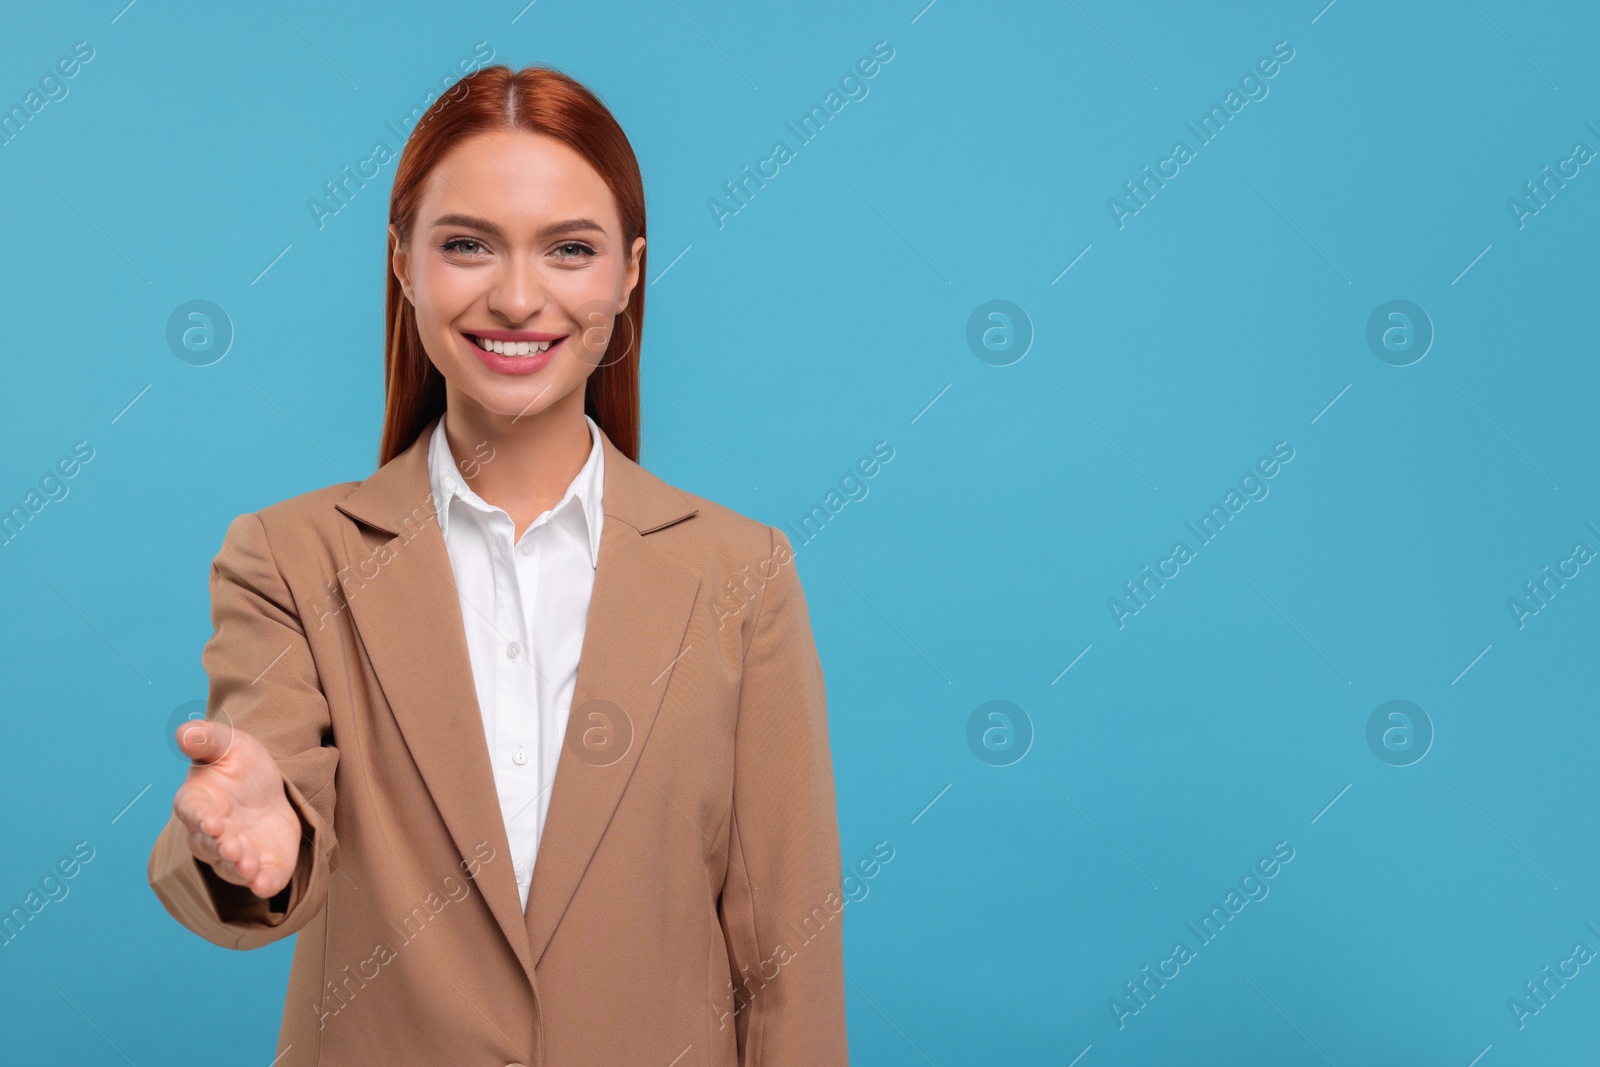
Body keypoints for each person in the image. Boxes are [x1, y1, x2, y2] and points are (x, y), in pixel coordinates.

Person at [147, 64, 848, 1066]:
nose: (517, 298)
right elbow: (262, 777)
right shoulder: (288, 556)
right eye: (467, 245)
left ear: (630, 272)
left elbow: (789, 955)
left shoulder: (742, 571)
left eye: (570, 249)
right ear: (402, 262)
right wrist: (255, 834)